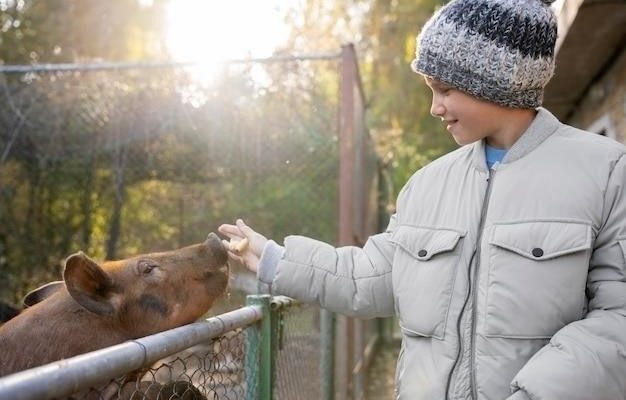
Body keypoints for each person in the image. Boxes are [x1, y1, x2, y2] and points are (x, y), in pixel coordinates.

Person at [219, 0, 626, 398]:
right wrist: (274, 259)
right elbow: (372, 275)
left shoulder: (607, 172)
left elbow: (616, 318)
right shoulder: (427, 185)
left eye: (444, 89)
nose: (435, 107)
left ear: (495, 79)